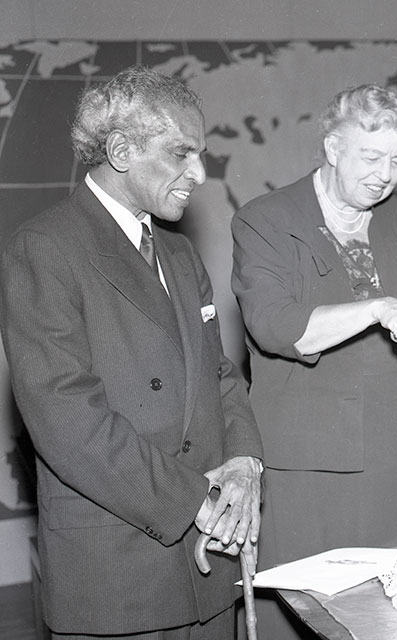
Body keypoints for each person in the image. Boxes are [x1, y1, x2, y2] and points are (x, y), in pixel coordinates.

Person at [0, 65, 264, 639]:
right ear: (120, 150)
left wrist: (245, 464)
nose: (198, 173)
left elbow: (220, 373)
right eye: (180, 154)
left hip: (209, 566)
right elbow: (69, 421)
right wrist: (200, 499)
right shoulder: (44, 248)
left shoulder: (178, 252)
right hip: (119, 580)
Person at [231, 84, 397, 639]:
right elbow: (276, 328)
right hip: (309, 471)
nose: (385, 174)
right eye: (371, 156)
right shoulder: (266, 220)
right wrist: (379, 307)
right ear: (333, 148)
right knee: (310, 624)